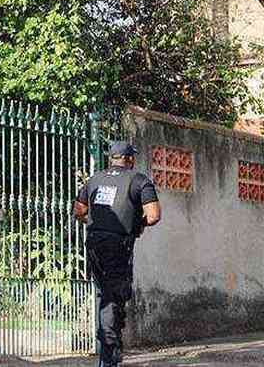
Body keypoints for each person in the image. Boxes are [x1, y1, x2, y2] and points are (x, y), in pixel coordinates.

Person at [73, 141, 161, 367]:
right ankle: (109, 359)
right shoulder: (139, 180)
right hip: (117, 245)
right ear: (129, 159)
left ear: (111, 158)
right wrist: (136, 225)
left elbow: (79, 211)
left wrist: (95, 223)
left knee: (107, 295)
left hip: (93, 243)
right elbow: (153, 215)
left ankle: (112, 352)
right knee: (113, 299)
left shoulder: (94, 180)